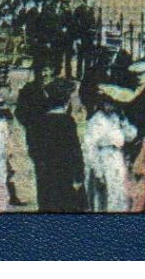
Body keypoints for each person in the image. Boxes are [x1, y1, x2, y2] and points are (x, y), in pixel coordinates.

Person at [30, 78, 86, 213]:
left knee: (46, 204)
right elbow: (75, 151)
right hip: (64, 175)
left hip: (44, 173)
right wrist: (79, 175)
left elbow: (33, 149)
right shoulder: (67, 122)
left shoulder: (39, 121)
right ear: (66, 102)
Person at [82, 90, 136, 213]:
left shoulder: (116, 118)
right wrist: (98, 172)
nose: (111, 106)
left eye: (114, 103)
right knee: (104, 198)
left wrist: (123, 121)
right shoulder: (96, 120)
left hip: (117, 158)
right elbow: (90, 146)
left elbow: (130, 136)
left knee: (119, 195)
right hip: (103, 159)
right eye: (108, 103)